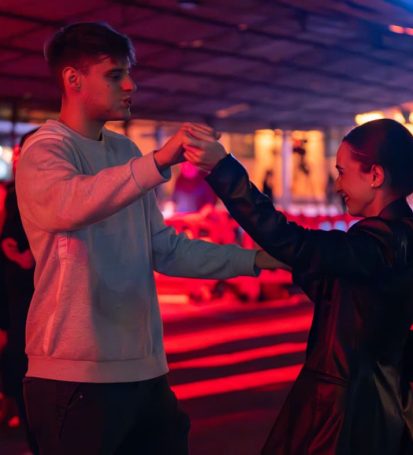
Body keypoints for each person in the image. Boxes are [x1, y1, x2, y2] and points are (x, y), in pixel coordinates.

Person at [184, 118, 413, 454]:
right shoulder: (396, 237)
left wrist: (223, 169)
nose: (337, 184)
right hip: (381, 402)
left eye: (342, 172)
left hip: (345, 409)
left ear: (376, 176)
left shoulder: (378, 242)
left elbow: (292, 240)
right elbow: (335, 288)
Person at [0, 130, 38, 453]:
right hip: (12, 286)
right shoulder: (13, 191)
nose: (14, 157)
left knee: (25, 358)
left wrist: (23, 257)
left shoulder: (40, 192)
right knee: (15, 356)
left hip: (29, 290)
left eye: (20, 152)